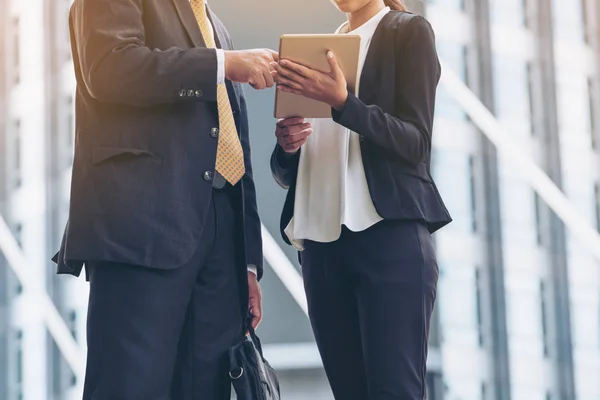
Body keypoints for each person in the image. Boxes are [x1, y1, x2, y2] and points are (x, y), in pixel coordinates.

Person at [52, 0, 276, 398]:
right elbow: (107, 70)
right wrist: (222, 64)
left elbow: (233, 140)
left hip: (222, 234)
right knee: (130, 386)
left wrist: (248, 262)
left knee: (207, 388)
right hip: (142, 225)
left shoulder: (213, 23)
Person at [270, 0, 452, 398]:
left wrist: (343, 104)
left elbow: (415, 143)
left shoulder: (407, 32)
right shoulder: (316, 51)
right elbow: (288, 173)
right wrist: (287, 147)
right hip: (322, 249)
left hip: (388, 238)